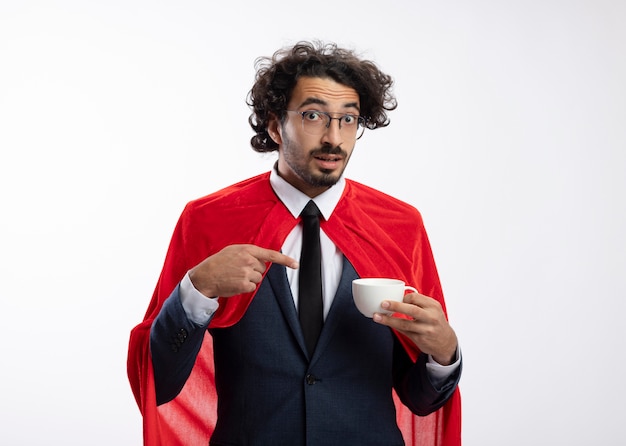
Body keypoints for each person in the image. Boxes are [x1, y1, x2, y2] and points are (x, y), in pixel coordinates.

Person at [127, 40, 462, 446]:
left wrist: (444, 354)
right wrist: (197, 291)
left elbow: (420, 400)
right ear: (273, 125)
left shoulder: (400, 225)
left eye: (349, 119)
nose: (334, 138)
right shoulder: (209, 218)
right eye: (313, 115)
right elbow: (158, 380)